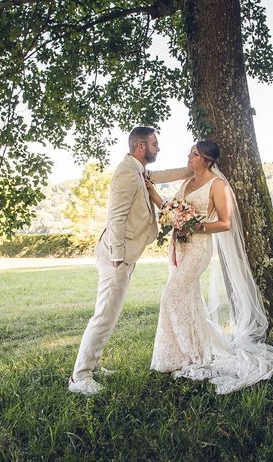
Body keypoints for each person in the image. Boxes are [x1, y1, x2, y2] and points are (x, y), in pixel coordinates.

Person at [146, 140, 273, 394]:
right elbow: (172, 211)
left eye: (194, 154)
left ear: (207, 160)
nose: (189, 157)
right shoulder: (188, 181)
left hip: (199, 248)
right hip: (181, 247)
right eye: (190, 153)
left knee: (171, 294)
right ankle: (188, 353)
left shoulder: (218, 186)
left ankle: (188, 352)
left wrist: (196, 227)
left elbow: (224, 223)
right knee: (188, 297)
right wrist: (152, 193)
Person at [69, 126, 190, 396]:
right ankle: (80, 377)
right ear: (140, 147)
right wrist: (117, 257)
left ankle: (93, 365)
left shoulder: (137, 169)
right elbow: (116, 217)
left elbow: (159, 176)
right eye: (155, 144)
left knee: (109, 315)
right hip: (116, 257)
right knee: (103, 316)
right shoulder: (126, 172)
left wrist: (191, 169)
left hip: (123, 256)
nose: (158, 148)